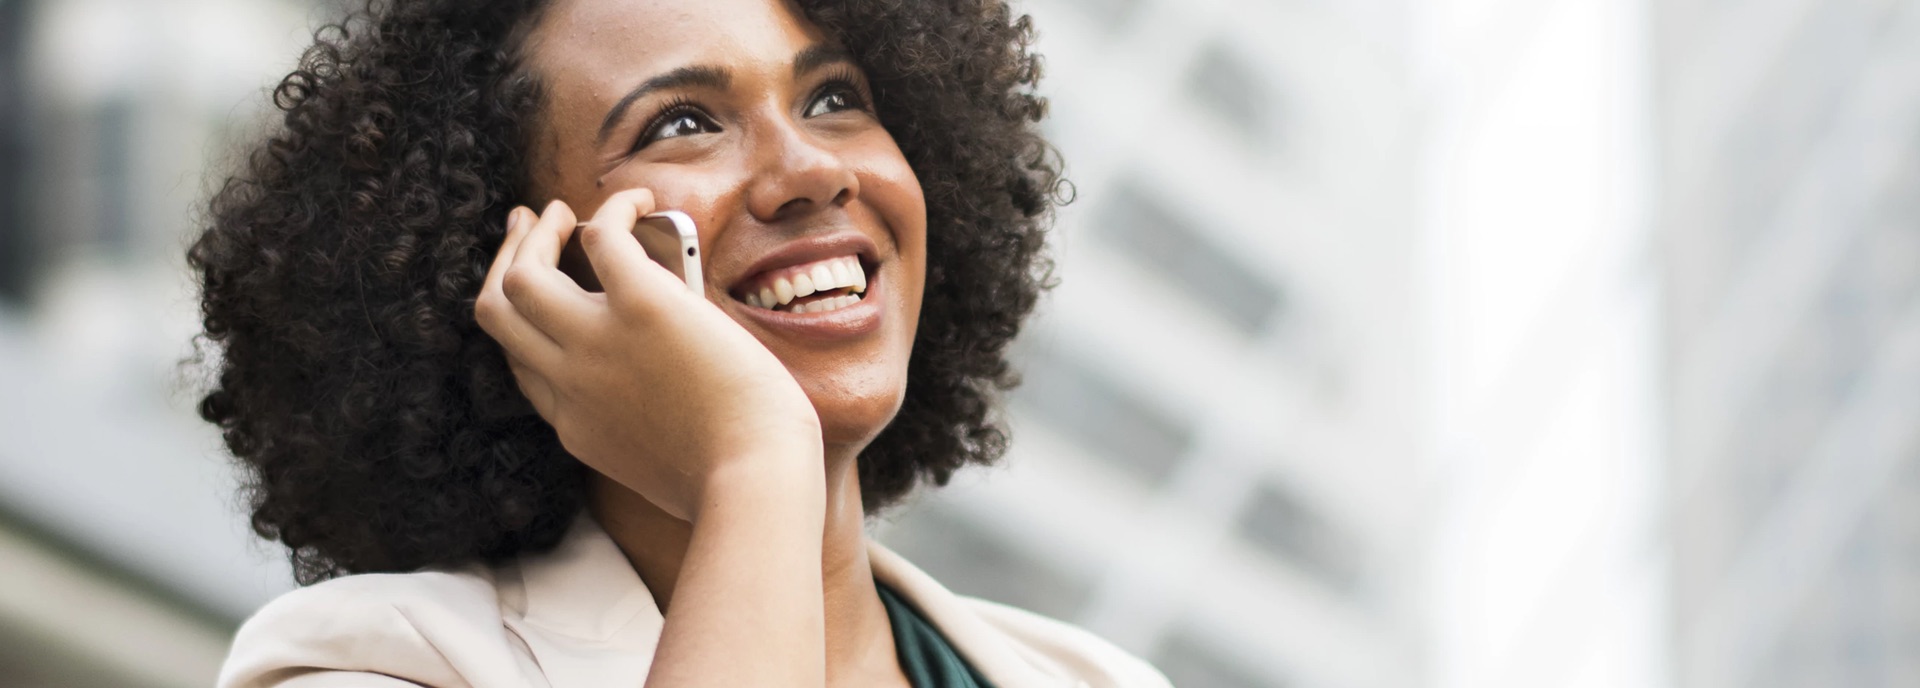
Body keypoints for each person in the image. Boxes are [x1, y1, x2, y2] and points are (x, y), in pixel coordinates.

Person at [193, 0, 1168, 685]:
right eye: (685, 122)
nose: (812, 168)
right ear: (526, 269)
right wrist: (754, 464)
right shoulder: (368, 669)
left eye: (834, 97)